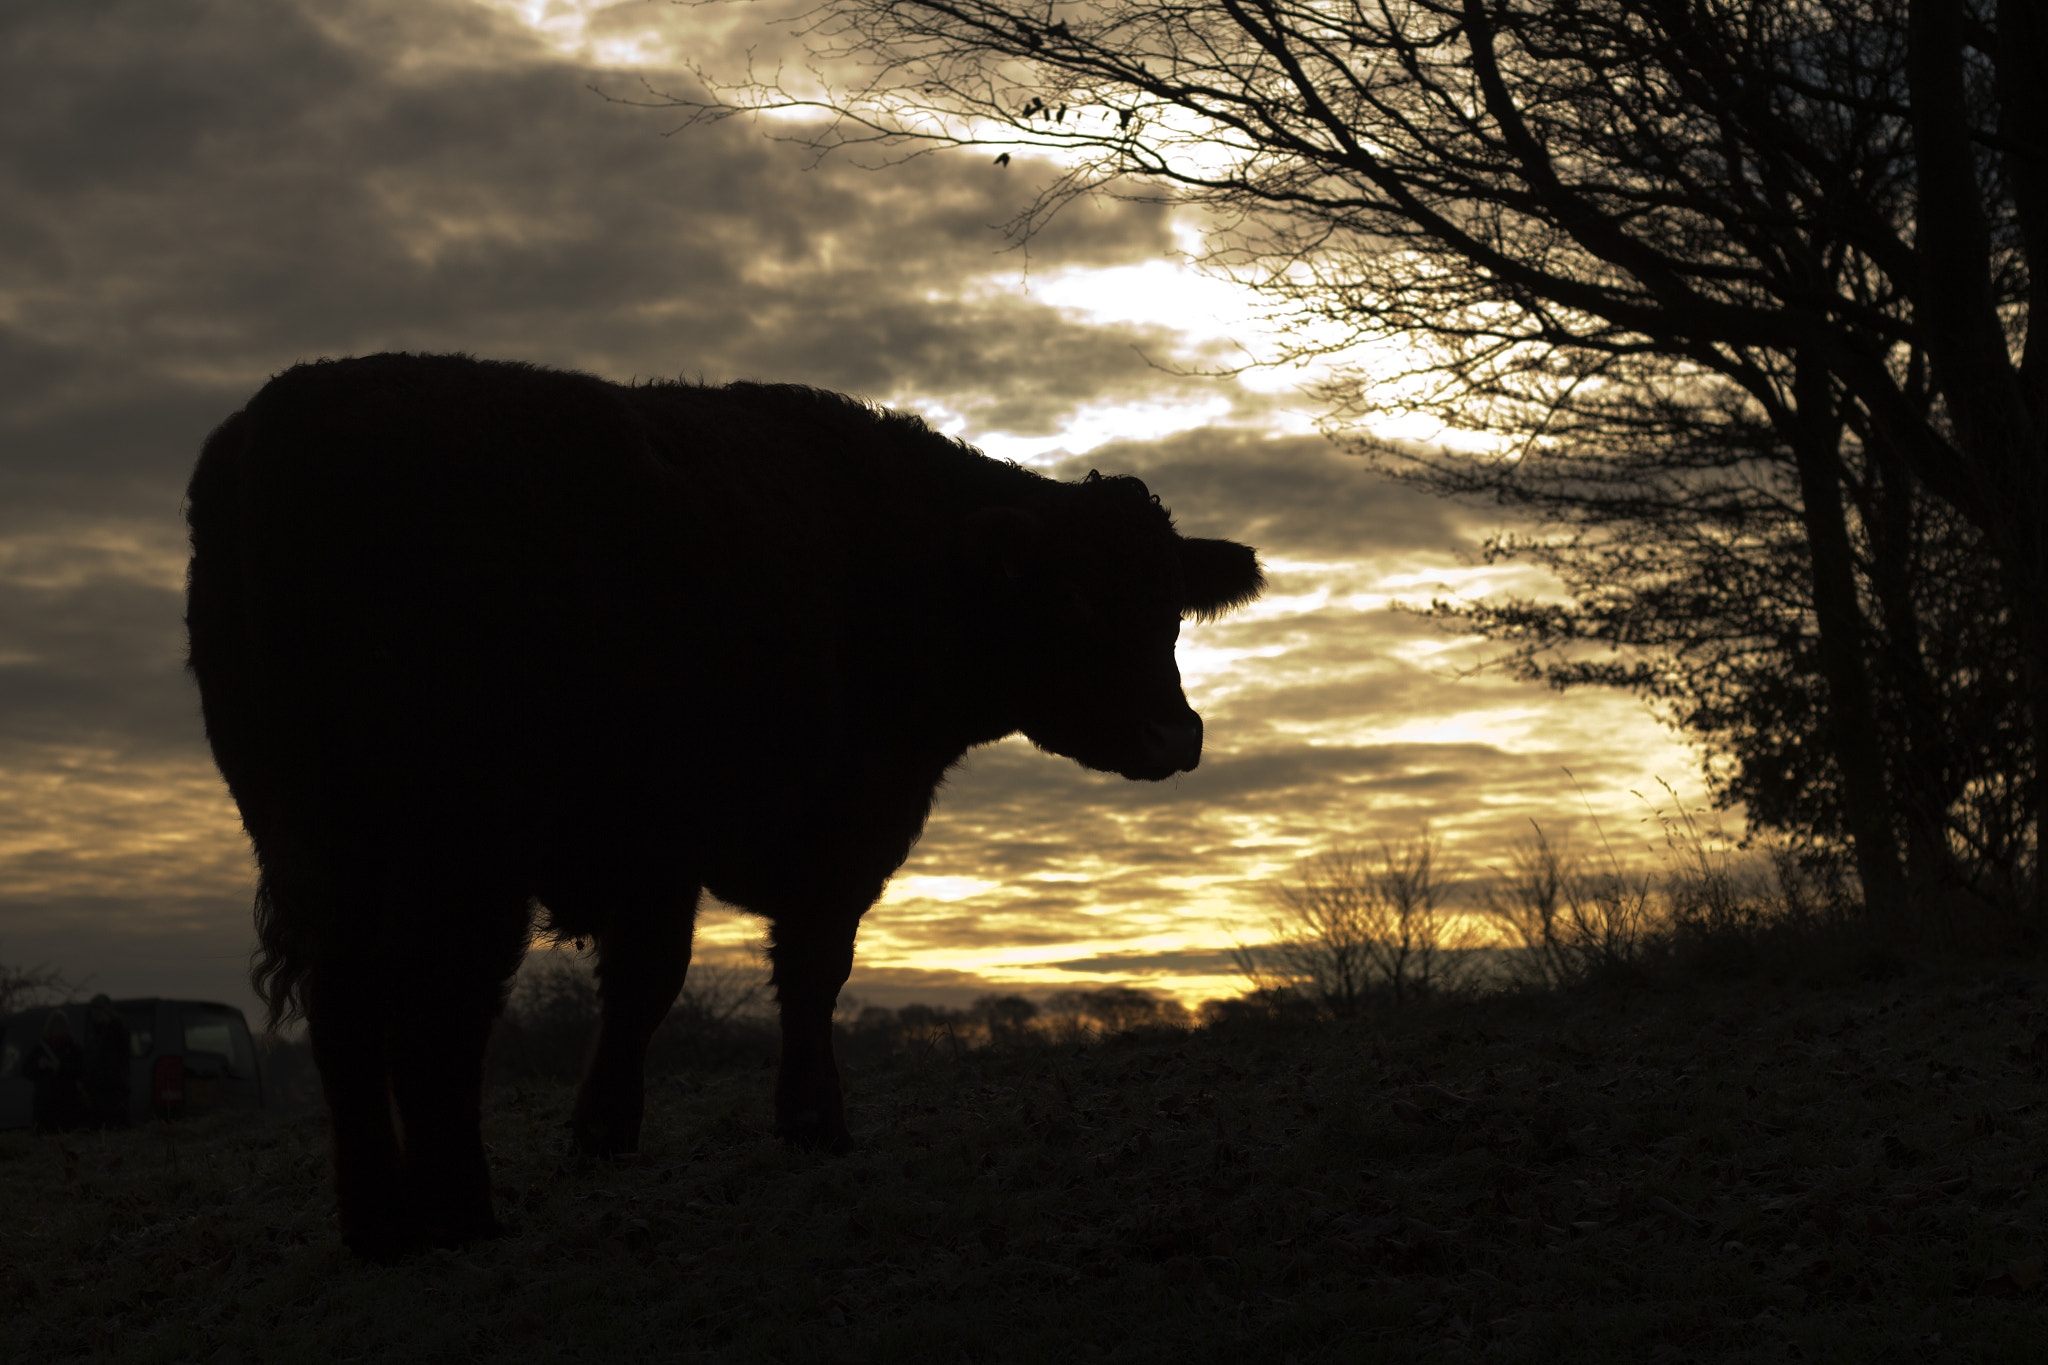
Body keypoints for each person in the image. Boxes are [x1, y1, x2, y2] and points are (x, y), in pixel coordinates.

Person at [22, 1009, 87, 1132]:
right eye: (55, 1025)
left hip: (67, 1106)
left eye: (61, 1026)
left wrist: (60, 1067)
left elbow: (82, 1070)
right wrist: (39, 1066)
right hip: (44, 1107)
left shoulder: (73, 1048)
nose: (58, 1029)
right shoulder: (40, 1049)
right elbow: (26, 1071)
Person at [84, 995, 131, 1127]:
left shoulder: (117, 1029)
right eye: (95, 1010)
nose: (97, 1013)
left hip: (113, 1092)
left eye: (100, 1009)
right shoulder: (95, 1033)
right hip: (97, 1092)